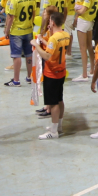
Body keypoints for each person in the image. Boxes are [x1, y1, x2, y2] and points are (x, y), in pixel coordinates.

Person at [36, 11, 70, 139]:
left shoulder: (54, 38)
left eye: (50, 21)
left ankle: (53, 131)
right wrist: (43, 40)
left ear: (53, 22)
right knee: (59, 99)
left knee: (53, 102)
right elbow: (54, 47)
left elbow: (47, 56)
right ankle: (58, 125)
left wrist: (36, 45)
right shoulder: (66, 35)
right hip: (61, 71)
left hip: (52, 73)